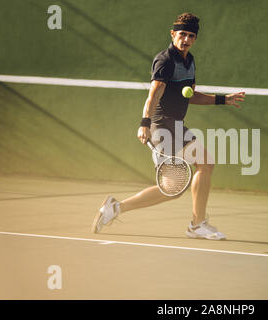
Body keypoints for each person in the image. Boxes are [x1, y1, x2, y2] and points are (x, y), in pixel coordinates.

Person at [92, 12, 245, 240]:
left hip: (177, 125)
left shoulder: (190, 61)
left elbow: (190, 95)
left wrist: (223, 99)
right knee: (186, 178)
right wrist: (144, 122)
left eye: (191, 36)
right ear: (173, 34)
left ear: (194, 39)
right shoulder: (165, 60)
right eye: (182, 34)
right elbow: (154, 94)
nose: (186, 39)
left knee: (189, 175)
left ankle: (192, 223)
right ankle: (192, 223)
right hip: (161, 126)